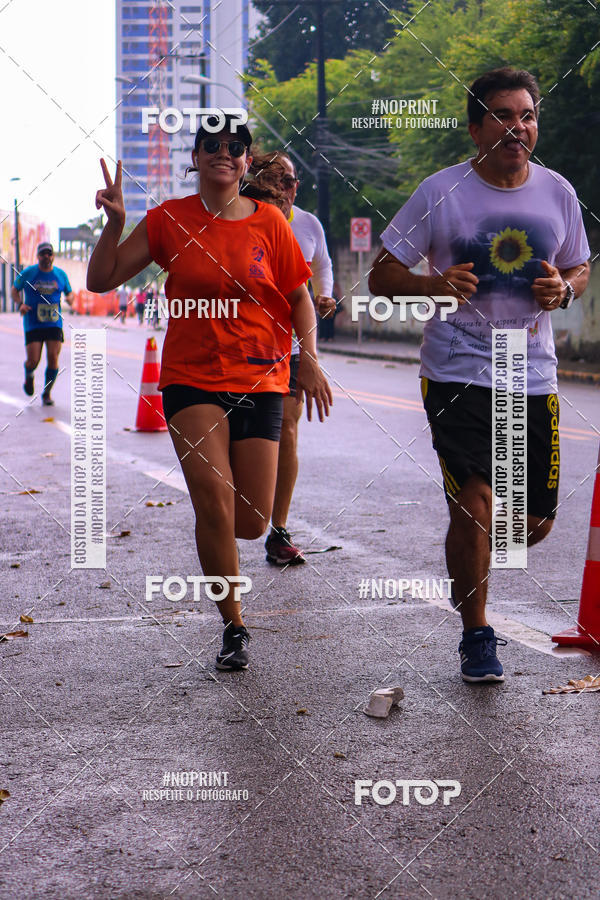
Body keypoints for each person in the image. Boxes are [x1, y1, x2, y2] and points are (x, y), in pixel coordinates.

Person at [369, 67, 590, 684]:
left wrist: (564, 289)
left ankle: (472, 554)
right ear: (475, 128)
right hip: (456, 367)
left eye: (527, 115)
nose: (517, 127)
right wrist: (431, 285)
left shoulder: (558, 192)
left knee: (531, 524)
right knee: (474, 503)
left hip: (530, 368)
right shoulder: (441, 191)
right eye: (502, 115)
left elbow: (579, 266)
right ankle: (476, 634)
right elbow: (382, 275)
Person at [87, 116, 332, 671]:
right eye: (213, 145)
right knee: (213, 502)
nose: (225, 152)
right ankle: (234, 626)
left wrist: (310, 361)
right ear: (195, 157)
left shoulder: (270, 222)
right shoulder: (168, 219)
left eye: (235, 147)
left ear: (245, 162)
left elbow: (299, 298)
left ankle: (237, 570)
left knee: (251, 521)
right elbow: (100, 280)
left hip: (262, 379)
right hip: (191, 379)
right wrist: (115, 223)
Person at [246, 152, 336, 566]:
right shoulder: (242, 220)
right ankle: (231, 514)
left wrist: (324, 295)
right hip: (245, 348)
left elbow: (320, 267)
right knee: (241, 439)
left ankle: (278, 529)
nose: (289, 188)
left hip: (293, 347)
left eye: (293, 180)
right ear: (260, 182)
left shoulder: (307, 224)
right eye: (280, 180)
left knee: (288, 428)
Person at [11, 241, 74, 406]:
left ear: (53, 256)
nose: (46, 256)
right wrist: (20, 304)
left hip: (53, 323)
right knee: (33, 361)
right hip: (33, 322)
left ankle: (47, 393)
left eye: (49, 253)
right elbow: (14, 289)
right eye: (43, 254)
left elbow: (70, 293)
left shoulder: (60, 275)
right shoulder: (29, 273)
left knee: (53, 358)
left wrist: (70, 299)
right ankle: (29, 374)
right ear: (38, 256)